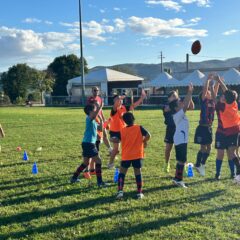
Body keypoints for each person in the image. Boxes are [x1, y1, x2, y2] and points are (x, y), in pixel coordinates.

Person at [70, 101, 107, 187]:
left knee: (85, 163)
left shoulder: (93, 121)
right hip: (89, 144)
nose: (96, 111)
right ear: (90, 112)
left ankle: (74, 178)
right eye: (95, 109)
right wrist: (100, 107)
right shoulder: (89, 118)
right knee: (98, 161)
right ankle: (100, 182)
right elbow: (94, 115)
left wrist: (101, 119)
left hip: (86, 143)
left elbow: (101, 129)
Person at [115, 112, 151, 199]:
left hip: (126, 155)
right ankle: (139, 192)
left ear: (124, 121)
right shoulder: (139, 127)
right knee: (138, 172)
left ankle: (120, 191)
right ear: (133, 119)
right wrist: (144, 141)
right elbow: (148, 135)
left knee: (122, 173)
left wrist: (112, 138)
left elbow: (116, 139)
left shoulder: (122, 130)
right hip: (137, 155)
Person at [108, 89, 146, 169]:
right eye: (117, 99)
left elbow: (134, 105)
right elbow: (116, 104)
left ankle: (128, 160)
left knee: (126, 147)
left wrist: (141, 98)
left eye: (120, 99)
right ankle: (110, 163)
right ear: (114, 101)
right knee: (116, 150)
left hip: (124, 131)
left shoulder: (124, 107)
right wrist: (120, 97)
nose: (120, 100)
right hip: (115, 132)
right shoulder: (114, 109)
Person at [213, 76, 240, 182]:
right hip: (234, 130)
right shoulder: (234, 103)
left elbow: (215, 97)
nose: (223, 95)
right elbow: (227, 92)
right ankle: (233, 173)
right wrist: (219, 81)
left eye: (224, 96)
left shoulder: (222, 106)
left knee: (232, 153)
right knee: (231, 153)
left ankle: (236, 172)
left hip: (230, 131)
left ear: (226, 98)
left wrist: (214, 86)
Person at [169, 83, 194, 188]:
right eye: (179, 103)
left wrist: (189, 94)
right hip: (180, 140)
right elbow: (187, 104)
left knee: (181, 160)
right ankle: (179, 180)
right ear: (176, 108)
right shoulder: (178, 114)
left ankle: (176, 178)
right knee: (182, 160)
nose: (181, 103)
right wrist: (189, 92)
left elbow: (188, 105)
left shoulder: (179, 113)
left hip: (180, 139)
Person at [194, 74, 217, 176]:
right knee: (203, 148)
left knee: (209, 148)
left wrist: (218, 82)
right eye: (207, 92)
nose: (209, 93)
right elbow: (205, 90)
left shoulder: (212, 101)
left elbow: (215, 91)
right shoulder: (204, 101)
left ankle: (201, 164)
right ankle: (198, 164)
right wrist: (207, 80)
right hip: (202, 128)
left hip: (209, 128)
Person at [87, 86, 112, 153]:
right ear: (92, 91)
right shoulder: (90, 99)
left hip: (100, 119)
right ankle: (95, 151)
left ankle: (110, 150)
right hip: (94, 119)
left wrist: (104, 119)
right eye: (94, 90)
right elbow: (91, 110)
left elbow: (101, 110)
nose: (96, 92)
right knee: (97, 136)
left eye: (97, 90)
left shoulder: (99, 98)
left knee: (105, 135)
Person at [162, 90, 179, 173]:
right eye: (173, 95)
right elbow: (166, 109)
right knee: (168, 148)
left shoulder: (178, 104)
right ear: (169, 98)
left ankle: (181, 165)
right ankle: (166, 164)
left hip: (179, 128)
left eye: (176, 95)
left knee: (179, 148)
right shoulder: (166, 105)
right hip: (170, 128)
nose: (175, 97)